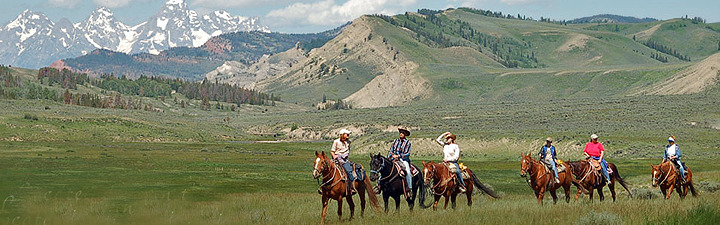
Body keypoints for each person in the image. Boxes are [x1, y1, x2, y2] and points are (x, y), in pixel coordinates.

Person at [388, 126, 413, 198]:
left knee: (408, 171)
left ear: (405, 134)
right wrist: (389, 157)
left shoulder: (407, 143)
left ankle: (409, 189)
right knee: (384, 168)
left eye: (403, 132)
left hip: (403, 159)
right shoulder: (395, 141)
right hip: (393, 158)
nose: (401, 133)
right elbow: (391, 150)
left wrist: (398, 156)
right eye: (400, 132)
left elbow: (407, 153)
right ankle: (379, 185)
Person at [331, 129, 356, 195]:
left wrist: (344, 156)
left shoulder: (348, 142)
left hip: (344, 160)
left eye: (348, 134)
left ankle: (351, 187)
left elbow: (347, 151)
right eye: (347, 134)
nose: (348, 135)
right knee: (326, 169)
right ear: (342, 135)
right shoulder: (336, 141)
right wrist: (334, 156)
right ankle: (323, 187)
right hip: (336, 158)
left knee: (349, 172)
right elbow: (332, 151)